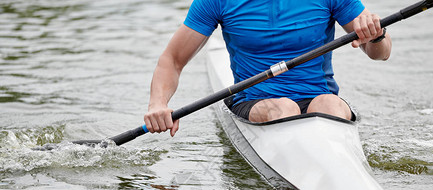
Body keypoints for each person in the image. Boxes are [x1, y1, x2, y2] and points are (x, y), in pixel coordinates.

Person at [144, 0, 392, 137]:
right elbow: (172, 60)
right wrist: (157, 104)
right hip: (254, 100)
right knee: (283, 108)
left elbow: (381, 54)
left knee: (332, 106)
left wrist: (377, 36)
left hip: (319, 97)